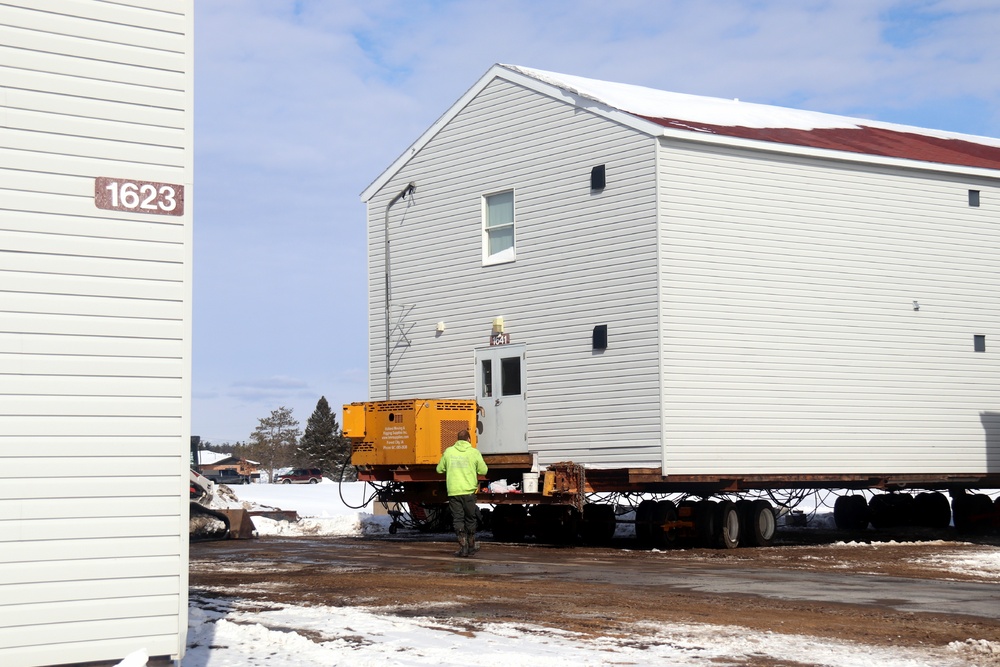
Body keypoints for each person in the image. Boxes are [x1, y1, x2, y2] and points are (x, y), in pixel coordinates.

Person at [436, 428, 488, 557]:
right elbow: (484, 471)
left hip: (454, 492)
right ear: (469, 439)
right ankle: (471, 546)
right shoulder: (474, 452)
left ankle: (463, 547)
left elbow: (439, 469)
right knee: (470, 518)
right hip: (469, 492)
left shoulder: (449, 452)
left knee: (458, 519)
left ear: (457, 440)